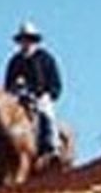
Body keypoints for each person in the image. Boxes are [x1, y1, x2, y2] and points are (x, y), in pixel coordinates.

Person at [4, 20, 62, 159]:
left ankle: (52, 146)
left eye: (29, 39)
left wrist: (49, 94)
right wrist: (14, 89)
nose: (26, 43)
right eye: (23, 40)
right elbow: (7, 85)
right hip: (19, 98)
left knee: (47, 113)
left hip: (41, 96)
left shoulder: (46, 58)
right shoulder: (15, 61)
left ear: (35, 41)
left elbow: (55, 82)